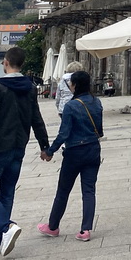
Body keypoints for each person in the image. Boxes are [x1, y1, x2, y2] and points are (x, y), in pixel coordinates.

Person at [0, 46, 50, 257]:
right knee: (6, 192)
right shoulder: (30, 88)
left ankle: (6, 227)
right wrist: (45, 146)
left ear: (6, 62)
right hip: (18, 147)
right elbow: (37, 119)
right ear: (22, 64)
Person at [37, 70, 103, 241]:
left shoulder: (71, 106)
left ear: (75, 85)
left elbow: (63, 133)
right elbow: (100, 130)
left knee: (63, 190)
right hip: (93, 149)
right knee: (89, 190)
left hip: (75, 152)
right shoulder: (97, 102)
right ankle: (85, 230)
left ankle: (53, 226)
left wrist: (50, 151)